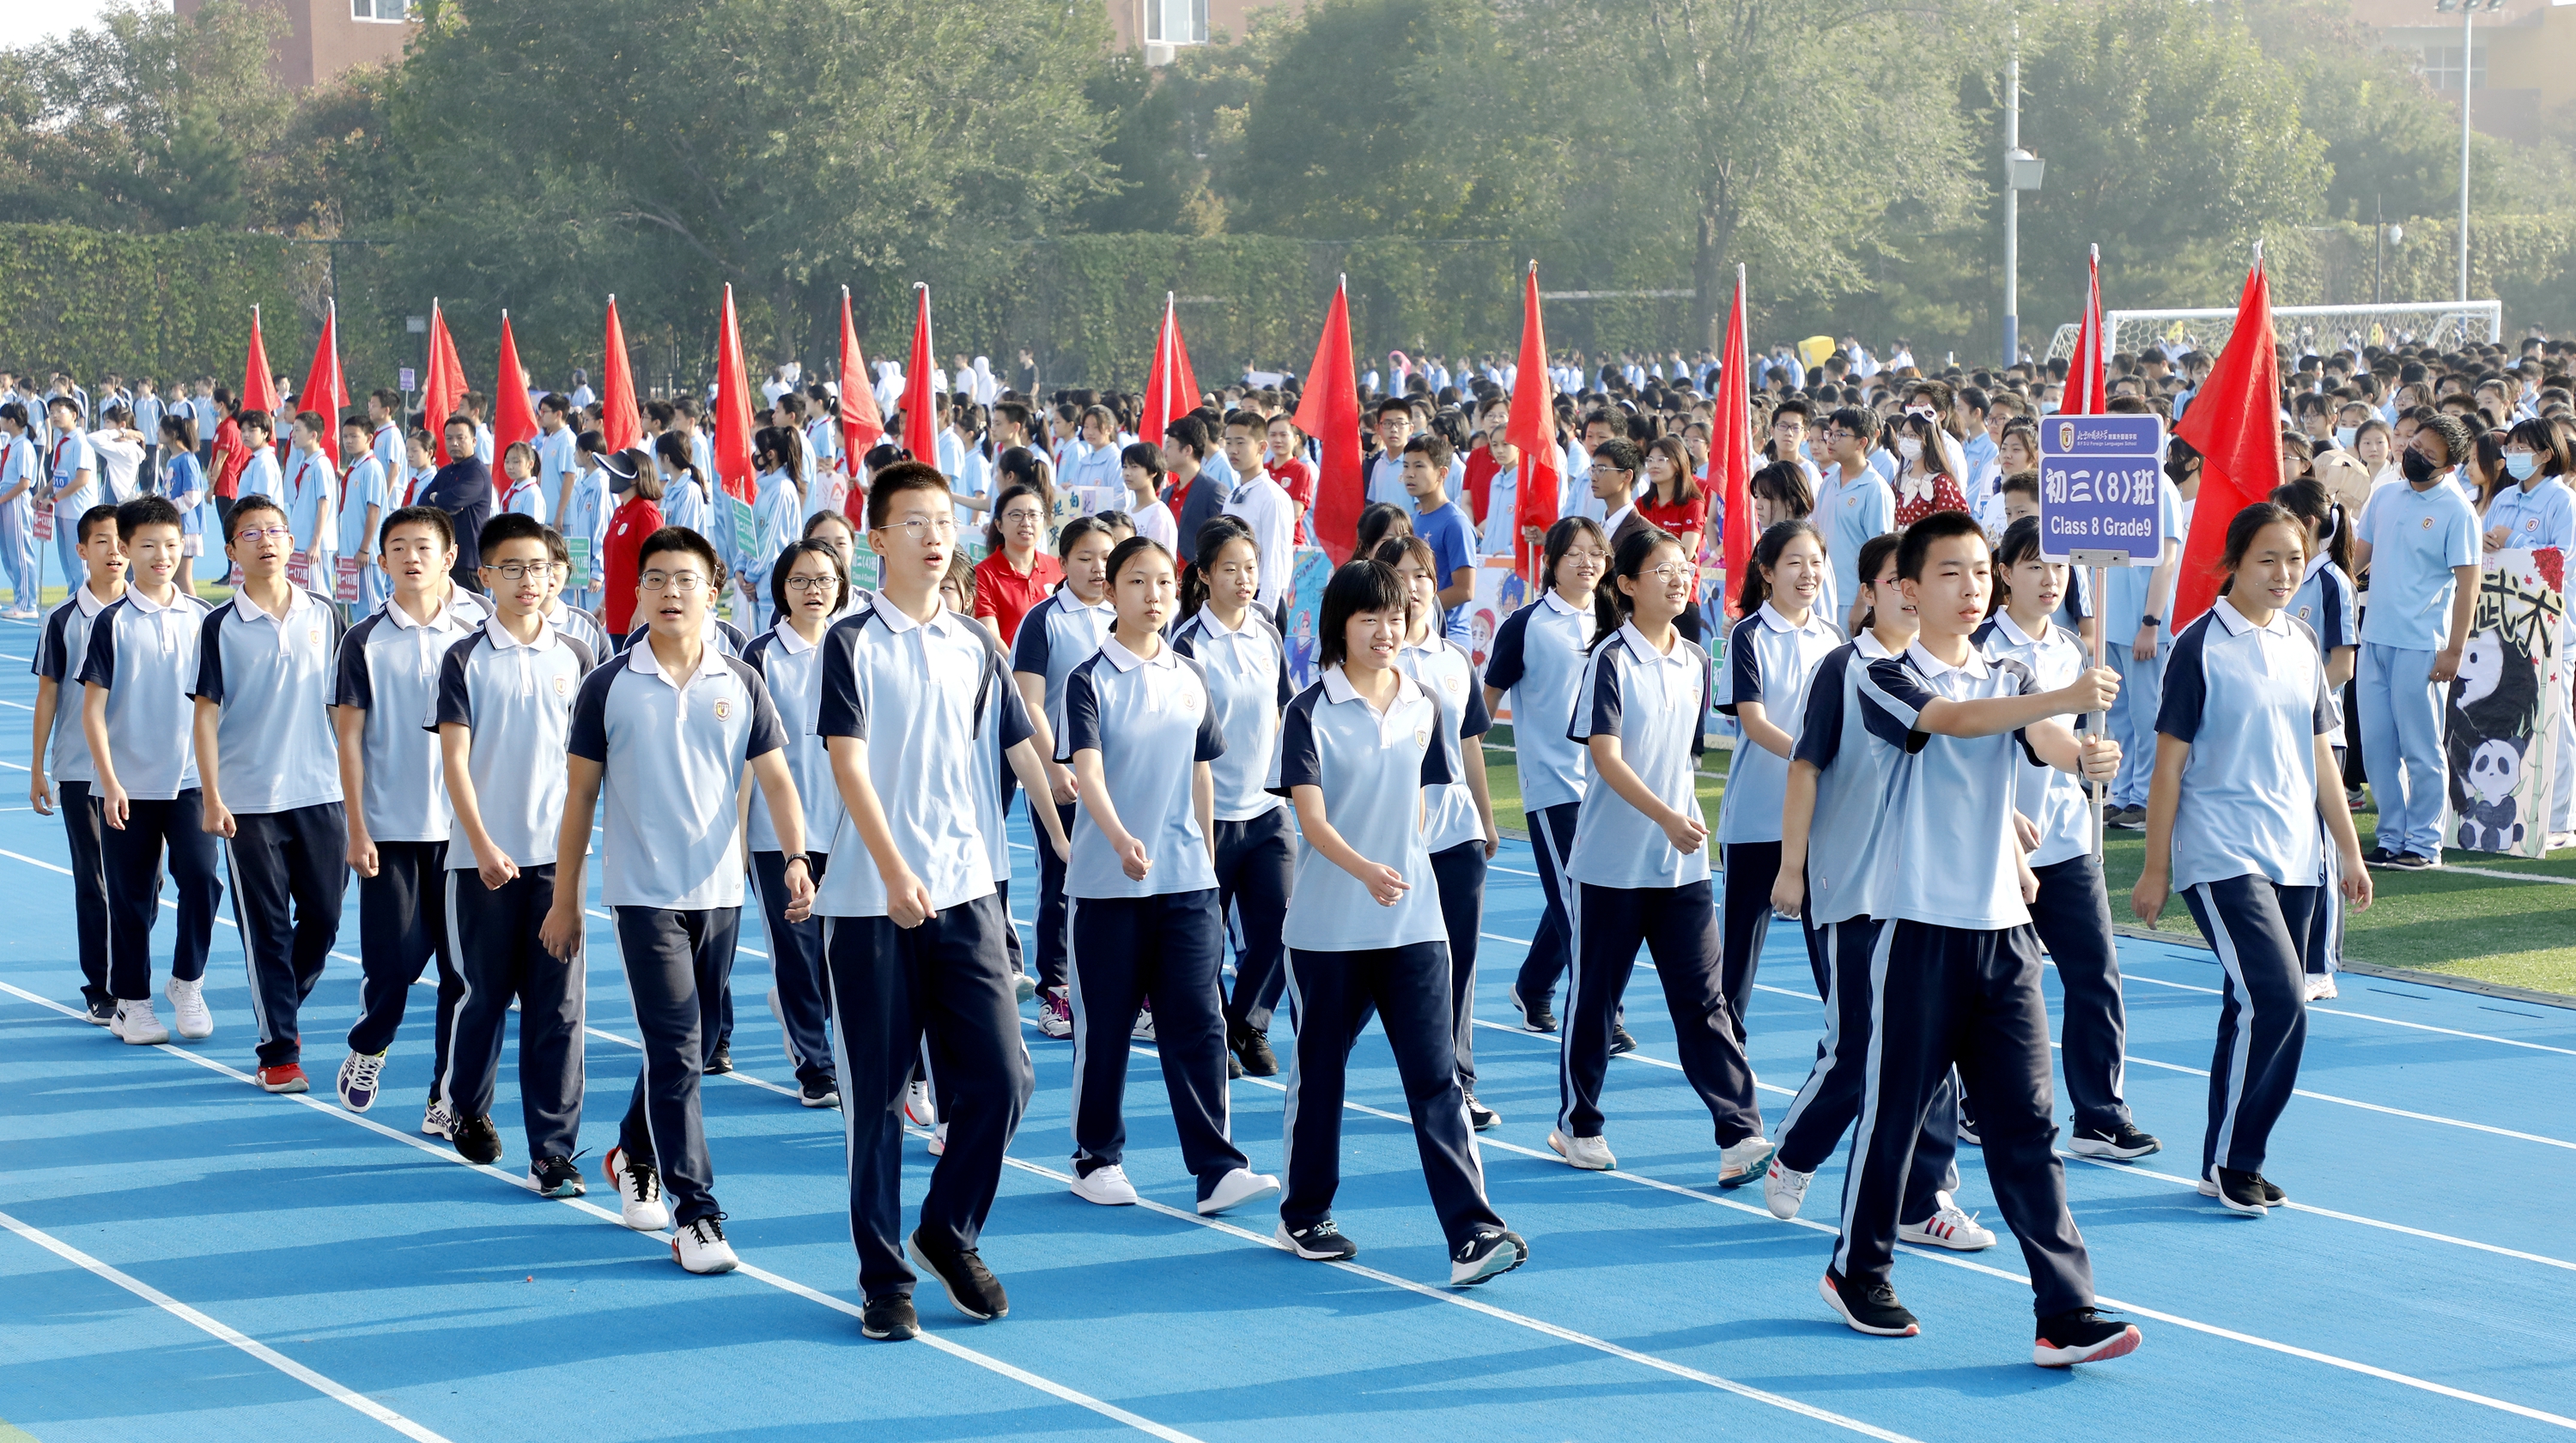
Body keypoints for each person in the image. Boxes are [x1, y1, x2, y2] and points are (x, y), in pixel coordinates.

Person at [1824, 510, 2137, 1367]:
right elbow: (1957, 722)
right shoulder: (1883, 675)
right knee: (1894, 1116)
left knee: (2028, 1125)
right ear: (1907, 588)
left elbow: (2040, 736)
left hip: (2004, 934)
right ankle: (1858, 1269)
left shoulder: (2009, 671)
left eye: (1978, 572)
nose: (1969, 588)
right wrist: (2062, 699)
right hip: (1917, 929)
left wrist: (2082, 756)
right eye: (1949, 573)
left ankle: (2064, 1310)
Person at [811, 461, 1068, 1341]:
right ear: (876, 539)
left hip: (967, 896)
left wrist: (1060, 830)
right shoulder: (851, 642)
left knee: (1004, 1077)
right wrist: (891, 870)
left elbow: (1020, 747)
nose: (932, 536)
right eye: (912, 522)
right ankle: (885, 1277)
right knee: (879, 1099)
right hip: (870, 903)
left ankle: (947, 1228)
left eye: (942, 522)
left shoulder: (977, 645)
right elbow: (848, 764)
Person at [542, 524, 812, 1275]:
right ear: (637, 592)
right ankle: (697, 1212)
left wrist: (795, 858)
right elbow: (579, 797)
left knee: (698, 1034)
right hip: (643, 893)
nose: (670, 592)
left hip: (720, 889)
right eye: (656, 579)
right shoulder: (608, 685)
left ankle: (632, 1148)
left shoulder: (741, 680)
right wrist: (565, 899)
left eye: (685, 579)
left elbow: (778, 778)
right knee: (676, 1048)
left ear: (712, 591)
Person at [1271, 557, 1527, 1287]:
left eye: (1395, 616)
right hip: (1327, 932)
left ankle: (1473, 1231)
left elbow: (1419, 796)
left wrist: (1405, 864)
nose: (1386, 630)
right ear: (1340, 626)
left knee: (1436, 1077)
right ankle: (1304, 1214)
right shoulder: (1309, 711)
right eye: (1369, 618)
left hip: (1414, 927)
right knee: (1322, 1075)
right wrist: (1366, 869)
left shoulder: (1424, 703)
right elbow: (1311, 820)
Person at [2132, 502, 2373, 1217]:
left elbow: (2323, 756)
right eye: (2267, 558)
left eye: (2294, 559)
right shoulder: (2198, 645)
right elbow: (2168, 767)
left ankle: (2226, 1160)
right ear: (2233, 561)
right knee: (2278, 996)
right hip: (2220, 852)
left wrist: (2349, 851)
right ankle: (2238, 1159)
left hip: (2296, 855)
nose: (2283, 573)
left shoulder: (2302, 640)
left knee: (2255, 1006)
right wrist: (2155, 866)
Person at [1057, 534, 1279, 1215]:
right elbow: (1088, 771)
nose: (1152, 595)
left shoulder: (1189, 674)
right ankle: (1096, 1157)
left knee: (1200, 1022)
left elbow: (1201, 771)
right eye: (1136, 582)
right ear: (1110, 592)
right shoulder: (1089, 680)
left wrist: (1206, 859)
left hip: (1186, 883)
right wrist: (1120, 836)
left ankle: (1217, 1167)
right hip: (1108, 885)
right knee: (1107, 1027)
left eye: (1161, 582)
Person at [1552, 525, 1770, 1182]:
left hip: (1682, 867)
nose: (1679, 579)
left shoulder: (1698, 659)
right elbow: (1606, 757)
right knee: (1596, 998)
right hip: (1611, 864)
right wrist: (1666, 816)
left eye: (1683, 568)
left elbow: (1685, 756)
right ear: (1626, 584)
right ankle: (1578, 1124)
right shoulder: (1609, 659)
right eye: (1661, 570)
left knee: (1705, 1001)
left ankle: (1740, 1133)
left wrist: (1682, 818)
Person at [1765, 533, 1965, 1234]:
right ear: (1870, 592)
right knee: (1859, 1043)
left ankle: (1925, 1197)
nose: (1910, 594)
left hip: (1929, 891)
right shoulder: (1845, 668)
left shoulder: (1946, 670)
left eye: (1919, 581)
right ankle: (1797, 1150)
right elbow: (1804, 767)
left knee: (1936, 1045)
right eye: (1894, 581)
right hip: (1852, 886)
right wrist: (1792, 867)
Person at [1974, 518, 2160, 1161]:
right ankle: (1975, 1100)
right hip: (1995, 843)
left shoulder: (2076, 648)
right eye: (2033, 566)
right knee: (1997, 986)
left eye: (2058, 566)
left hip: (2067, 839)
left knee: (2095, 975)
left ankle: (2100, 1115)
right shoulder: (1980, 649)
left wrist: (2092, 760)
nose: (2050, 578)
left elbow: (2072, 738)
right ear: (2004, 574)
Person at [434, 512, 599, 1191]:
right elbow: (455, 759)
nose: (528, 580)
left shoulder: (579, 655)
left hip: (558, 863)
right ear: (485, 576)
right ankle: (468, 1105)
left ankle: (552, 1150)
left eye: (539, 567)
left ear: (556, 574)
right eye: (512, 568)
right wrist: (480, 842)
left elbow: (591, 765)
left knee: (559, 1009)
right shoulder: (465, 658)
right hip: (483, 863)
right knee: (486, 995)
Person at [191, 494, 351, 1094]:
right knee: (267, 928)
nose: (266, 541)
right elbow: (205, 715)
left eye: (275, 530)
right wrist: (212, 795)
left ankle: (277, 1000)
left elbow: (345, 709)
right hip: (248, 800)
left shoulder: (326, 613)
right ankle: (278, 1049)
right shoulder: (220, 625)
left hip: (321, 790)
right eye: (251, 533)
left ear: (291, 542)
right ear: (231, 550)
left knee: (326, 919)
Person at [330, 506, 481, 1131]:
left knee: (461, 976)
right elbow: (348, 739)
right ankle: (370, 1044)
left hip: (466, 834)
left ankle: (443, 1096)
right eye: (398, 547)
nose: (411, 558)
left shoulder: (482, 627)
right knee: (392, 967)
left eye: (424, 546)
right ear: (384, 559)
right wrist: (356, 826)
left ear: (450, 556)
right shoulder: (364, 638)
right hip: (390, 828)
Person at [1376, 533, 1503, 1126]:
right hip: (1393, 840)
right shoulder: (1376, 659)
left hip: (1457, 837)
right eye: (1399, 575)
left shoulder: (1454, 660)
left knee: (1459, 963)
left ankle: (1456, 1082)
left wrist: (1486, 818)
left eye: (1422, 574)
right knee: (1384, 969)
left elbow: (1470, 743)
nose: (1413, 586)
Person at [1712, 519, 1841, 1058]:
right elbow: (1754, 721)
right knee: (1740, 947)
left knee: (1830, 943)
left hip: (1818, 819)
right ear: (1766, 572)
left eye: (1815, 562)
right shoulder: (1747, 636)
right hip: (1756, 818)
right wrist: (1808, 758)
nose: (1808, 573)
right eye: (1794, 563)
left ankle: (1846, 1039)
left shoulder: (1833, 639)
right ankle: (1725, 1044)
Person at [1172, 518, 1294, 1078]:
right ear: (1204, 575)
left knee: (1283, 928)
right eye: (1230, 569)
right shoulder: (1187, 643)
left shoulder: (1267, 631)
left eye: (1251, 568)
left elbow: (1283, 708)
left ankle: (1246, 1022)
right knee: (1205, 939)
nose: (1245, 579)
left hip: (1267, 810)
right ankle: (1212, 1032)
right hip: (1209, 813)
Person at [1483, 516, 1608, 1036]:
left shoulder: (1615, 620)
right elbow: (1484, 702)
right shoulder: (1526, 625)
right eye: (1574, 553)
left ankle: (1534, 986)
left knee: (1582, 894)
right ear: (1551, 562)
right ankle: (1603, 1016)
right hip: (1553, 784)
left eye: (1595, 553)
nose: (1586, 563)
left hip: (1609, 783)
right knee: (1580, 902)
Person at [740, 540, 851, 1109]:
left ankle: (810, 1025)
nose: (814, 590)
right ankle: (816, 1065)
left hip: (848, 827)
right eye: (801, 580)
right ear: (781, 587)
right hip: (777, 834)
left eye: (825, 579)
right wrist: (739, 835)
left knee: (842, 955)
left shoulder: (854, 646)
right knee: (798, 952)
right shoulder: (760, 656)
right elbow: (745, 754)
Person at [2351, 412, 2479, 870]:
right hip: (2374, 638)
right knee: (2377, 748)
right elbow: (2357, 559)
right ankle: (2391, 837)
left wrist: (2454, 650)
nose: (2415, 455)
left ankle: (2424, 843)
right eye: (2415, 445)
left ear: (2449, 467)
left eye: (2428, 454)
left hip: (2422, 645)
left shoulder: (2457, 511)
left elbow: (2469, 586)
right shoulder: (2385, 496)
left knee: (2421, 749)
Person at [1015, 515, 1119, 1036]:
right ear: (1063, 562)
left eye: (1107, 557)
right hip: (1065, 778)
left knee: (1122, 882)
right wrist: (1055, 765)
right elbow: (1029, 701)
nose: (1098, 568)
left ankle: (1121, 989)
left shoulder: (1129, 613)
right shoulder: (1044, 620)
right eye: (1085, 557)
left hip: (1122, 778)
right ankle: (1056, 991)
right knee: (1062, 881)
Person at [33, 505, 130, 1028]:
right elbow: (48, 694)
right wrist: (36, 767)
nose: (114, 552)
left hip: (143, 769)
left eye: (122, 542)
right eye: (102, 542)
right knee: (94, 881)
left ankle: (128, 970)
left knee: (144, 883)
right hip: (78, 769)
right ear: (82, 550)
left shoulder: (152, 612)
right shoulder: (63, 619)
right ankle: (103, 986)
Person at [1395, 434, 1478, 646]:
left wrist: (1416, 607)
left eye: (1419, 466)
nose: (1409, 474)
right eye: (1406, 466)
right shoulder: (1411, 520)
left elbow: (1465, 590)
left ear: (1442, 473)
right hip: (1416, 634)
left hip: (1448, 637)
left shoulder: (1456, 523)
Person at [1219, 409, 1298, 625]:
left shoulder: (1273, 498)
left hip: (1261, 598)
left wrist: (1263, 616)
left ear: (1262, 447)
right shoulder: (1232, 496)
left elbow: (1275, 563)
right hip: (1234, 598)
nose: (1232, 450)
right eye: (1228, 442)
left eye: (1240, 443)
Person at [971, 484, 1062, 645]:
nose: (1026, 522)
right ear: (999, 524)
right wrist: (1017, 661)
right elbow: (990, 635)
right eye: (1016, 515)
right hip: (1007, 660)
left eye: (1033, 515)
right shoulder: (982, 574)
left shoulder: (1059, 568)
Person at [418, 417, 495, 590]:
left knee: (469, 606)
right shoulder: (445, 472)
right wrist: (440, 500)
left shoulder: (477, 473)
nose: (454, 443)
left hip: (469, 562)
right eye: (449, 438)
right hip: (443, 558)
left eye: (460, 438)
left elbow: (452, 501)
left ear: (474, 441)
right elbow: (423, 502)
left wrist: (438, 499)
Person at [599, 449, 663, 635]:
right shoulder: (619, 512)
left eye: (615, 471)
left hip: (636, 619)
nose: (610, 476)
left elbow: (657, 565)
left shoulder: (645, 512)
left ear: (635, 479)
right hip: (616, 615)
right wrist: (603, 606)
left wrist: (642, 609)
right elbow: (616, 566)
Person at [43, 395, 100, 582]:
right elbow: (58, 475)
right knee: (68, 565)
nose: (54, 416)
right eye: (52, 412)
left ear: (74, 415)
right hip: (62, 512)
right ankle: (74, 599)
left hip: (78, 512)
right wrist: (42, 493)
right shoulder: (61, 441)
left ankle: (86, 600)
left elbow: (81, 479)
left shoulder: (80, 443)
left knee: (80, 566)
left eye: (60, 411)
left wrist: (54, 498)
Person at [337, 417, 389, 614]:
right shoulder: (354, 468)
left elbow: (374, 509)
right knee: (356, 611)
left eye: (353, 436)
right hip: (351, 554)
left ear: (369, 438)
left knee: (372, 610)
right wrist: (343, 549)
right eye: (345, 437)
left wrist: (365, 549)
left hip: (366, 555)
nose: (348, 441)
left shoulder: (372, 468)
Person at [0, 403, 41, 617]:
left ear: (11, 421)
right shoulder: (11, 444)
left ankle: (28, 604)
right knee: (8, 554)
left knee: (21, 553)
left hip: (15, 502)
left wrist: (2, 499)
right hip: (6, 498)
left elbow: (25, 483)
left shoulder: (24, 446)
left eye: (2, 418)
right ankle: (19, 597)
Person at [1118, 441, 1178, 549]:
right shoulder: (1128, 512)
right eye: (1125, 467)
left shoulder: (1159, 514)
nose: (1127, 473)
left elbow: (1161, 555)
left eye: (1134, 467)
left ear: (1153, 471)